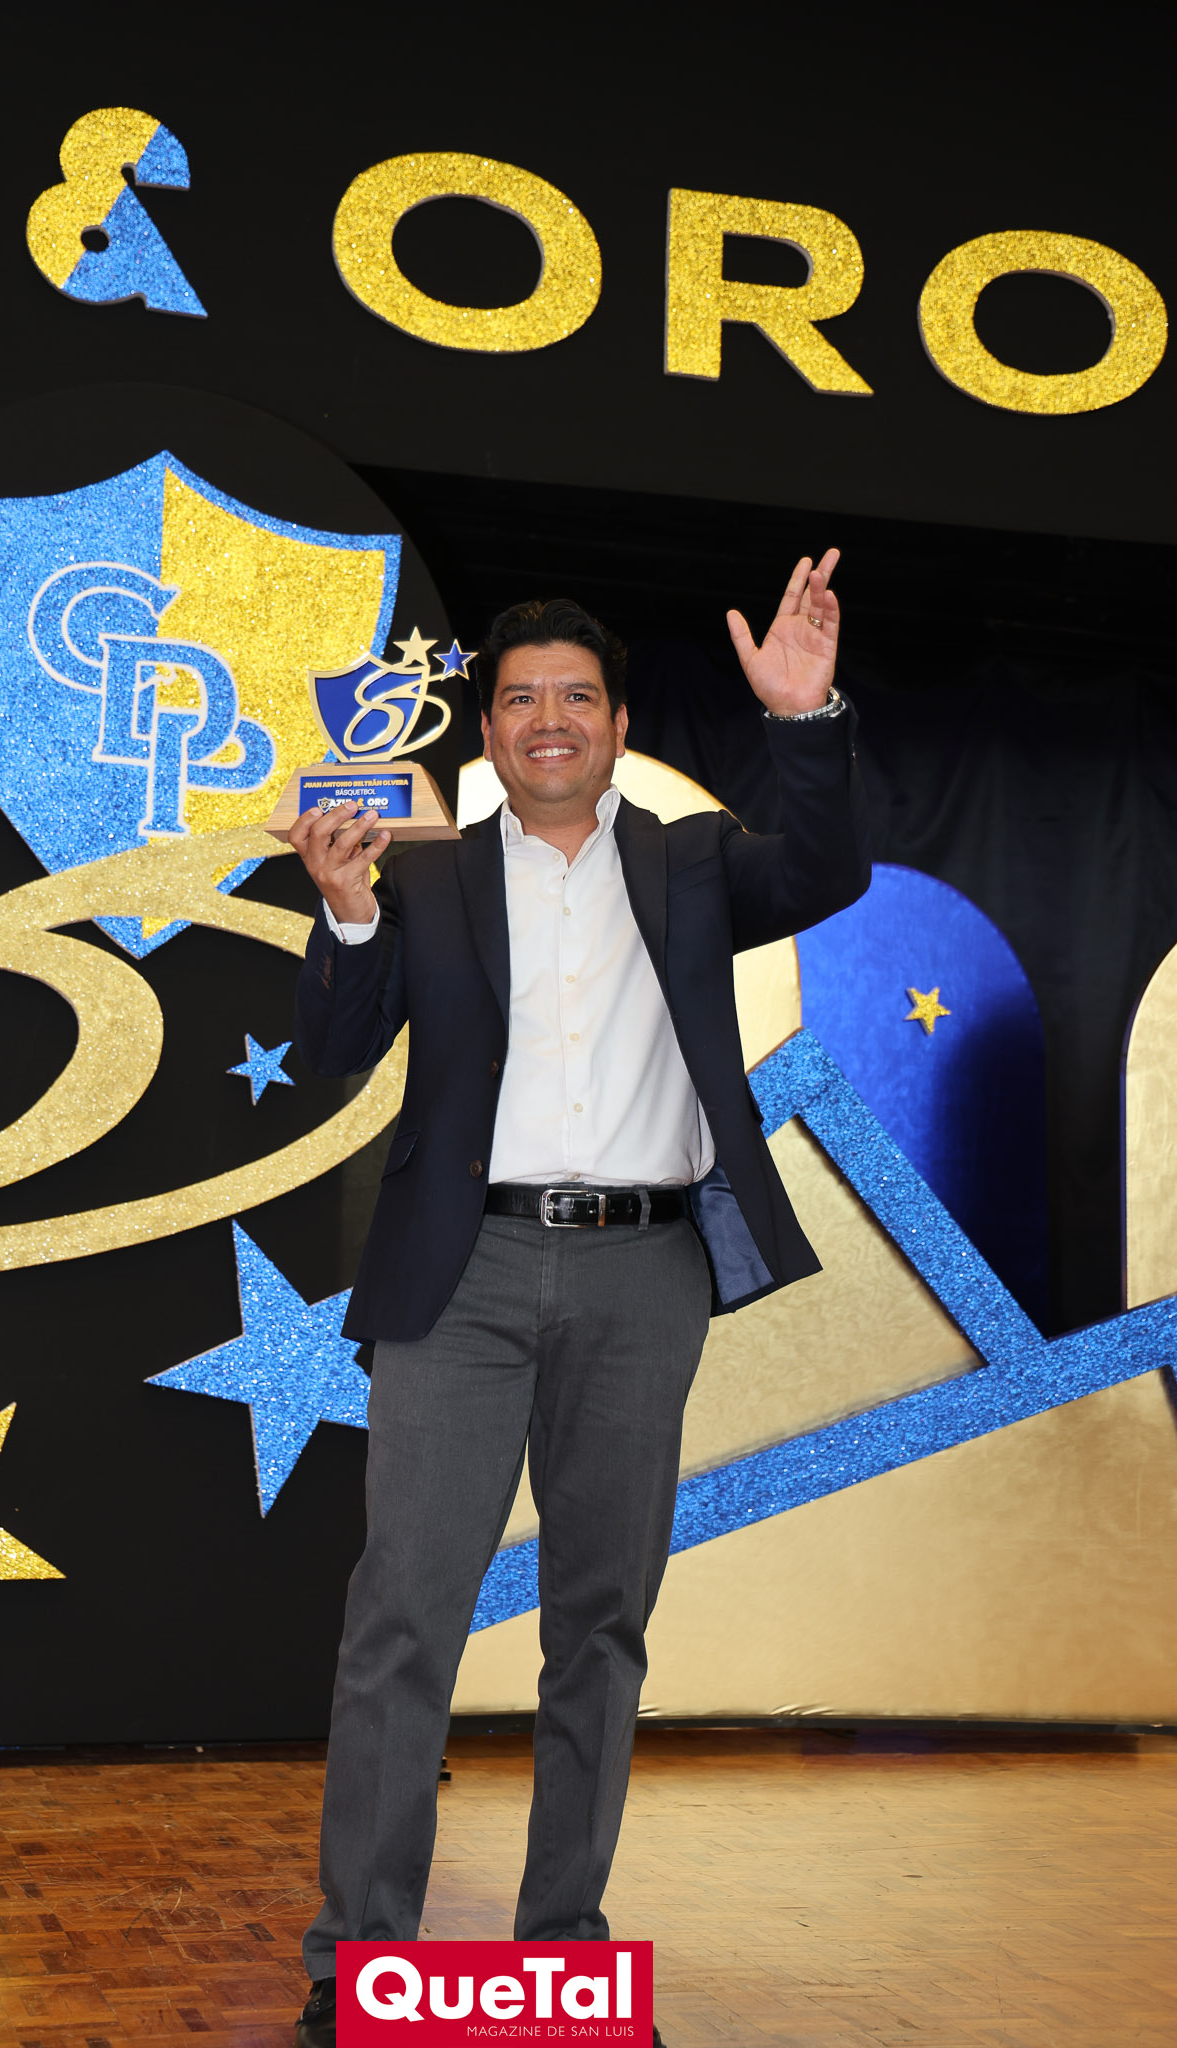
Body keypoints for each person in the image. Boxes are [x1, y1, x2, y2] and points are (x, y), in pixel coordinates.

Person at [288, 552, 870, 2048]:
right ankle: (360, 1962)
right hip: (460, 1274)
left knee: (600, 1622)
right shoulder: (421, 875)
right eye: (520, 698)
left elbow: (824, 871)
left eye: (577, 696)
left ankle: (561, 1956)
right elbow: (333, 1053)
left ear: (616, 724)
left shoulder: (693, 861)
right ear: (487, 730)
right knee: (403, 1615)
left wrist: (803, 722)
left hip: (639, 1270)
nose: (548, 718)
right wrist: (343, 913)